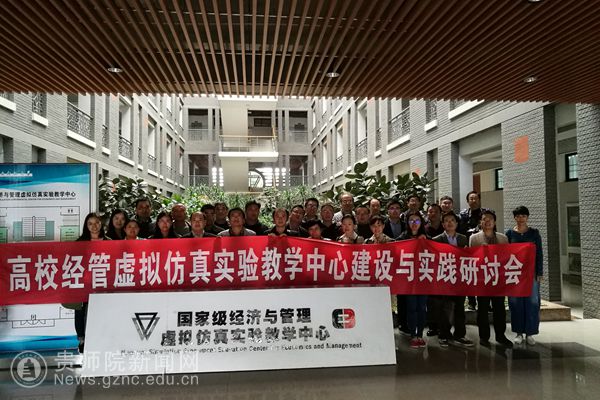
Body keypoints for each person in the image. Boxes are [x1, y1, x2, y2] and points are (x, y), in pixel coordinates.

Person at [469, 210, 513, 348]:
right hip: (482, 279)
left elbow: (507, 258)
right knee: (482, 308)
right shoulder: (474, 238)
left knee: (499, 308)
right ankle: (484, 336)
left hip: (498, 279)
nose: (487, 221)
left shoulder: (503, 238)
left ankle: (500, 335)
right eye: (484, 219)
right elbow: (471, 258)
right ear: (480, 222)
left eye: (490, 219)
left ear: (494, 222)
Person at [432, 212, 474, 348]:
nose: (449, 223)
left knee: (460, 308)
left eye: (452, 220)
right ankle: (443, 335)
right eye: (446, 221)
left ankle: (460, 335)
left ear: (456, 223)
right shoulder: (437, 239)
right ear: (443, 224)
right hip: (444, 279)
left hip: (460, 278)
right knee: (445, 308)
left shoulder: (463, 239)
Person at [506, 206, 543, 346]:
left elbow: (539, 253)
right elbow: (504, 254)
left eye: (523, 216)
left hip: (531, 273)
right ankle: (518, 333)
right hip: (514, 273)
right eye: (518, 216)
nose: (521, 218)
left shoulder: (534, 233)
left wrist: (539, 272)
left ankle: (530, 333)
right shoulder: (509, 234)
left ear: (527, 217)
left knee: (532, 302)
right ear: (514, 218)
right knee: (515, 303)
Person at [74, 212, 107, 353]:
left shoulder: (109, 242)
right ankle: (82, 339)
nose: (94, 226)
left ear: (101, 224)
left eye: (97, 223)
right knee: (81, 311)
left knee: (101, 310)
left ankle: (100, 338)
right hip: (84, 282)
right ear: (86, 226)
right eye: (90, 223)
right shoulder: (80, 242)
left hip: (103, 282)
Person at [396, 211, 429, 348]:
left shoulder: (427, 238)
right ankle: (413, 335)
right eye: (411, 221)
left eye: (417, 221)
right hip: (408, 279)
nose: (414, 223)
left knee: (422, 307)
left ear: (421, 223)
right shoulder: (402, 238)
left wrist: (425, 242)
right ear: (407, 223)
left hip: (423, 278)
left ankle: (420, 334)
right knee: (411, 307)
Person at [459, 191, 487, 311]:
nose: (473, 201)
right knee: (469, 276)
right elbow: (460, 231)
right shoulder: (463, 215)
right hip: (467, 250)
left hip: (482, 249)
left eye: (475, 198)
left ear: (479, 200)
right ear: (467, 201)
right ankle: (471, 302)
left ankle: (485, 302)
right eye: (471, 199)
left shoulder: (486, 213)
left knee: (483, 276)